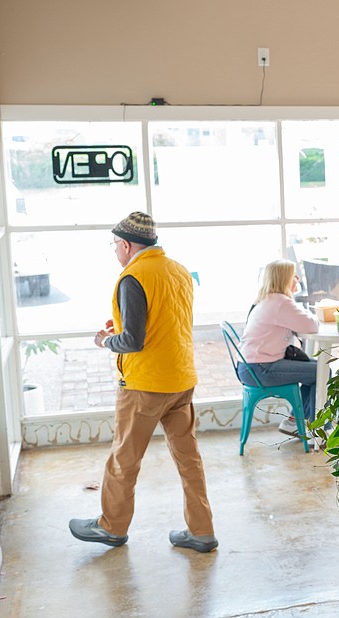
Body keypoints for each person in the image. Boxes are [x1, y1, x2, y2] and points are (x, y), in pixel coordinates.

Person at [69, 212, 217, 553]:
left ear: (125, 244)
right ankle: (202, 531)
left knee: (124, 459)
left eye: (114, 246)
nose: (115, 252)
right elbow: (166, 321)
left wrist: (106, 341)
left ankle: (111, 527)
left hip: (145, 385)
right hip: (181, 379)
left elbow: (134, 341)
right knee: (188, 459)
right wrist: (123, 328)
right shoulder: (178, 270)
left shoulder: (133, 276)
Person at [238, 260, 319, 427]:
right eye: (293, 275)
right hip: (261, 369)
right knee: (321, 371)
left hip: (249, 367)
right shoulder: (280, 302)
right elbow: (311, 325)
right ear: (284, 279)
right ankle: (314, 428)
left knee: (317, 369)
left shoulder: (265, 299)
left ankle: (296, 422)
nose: (297, 278)